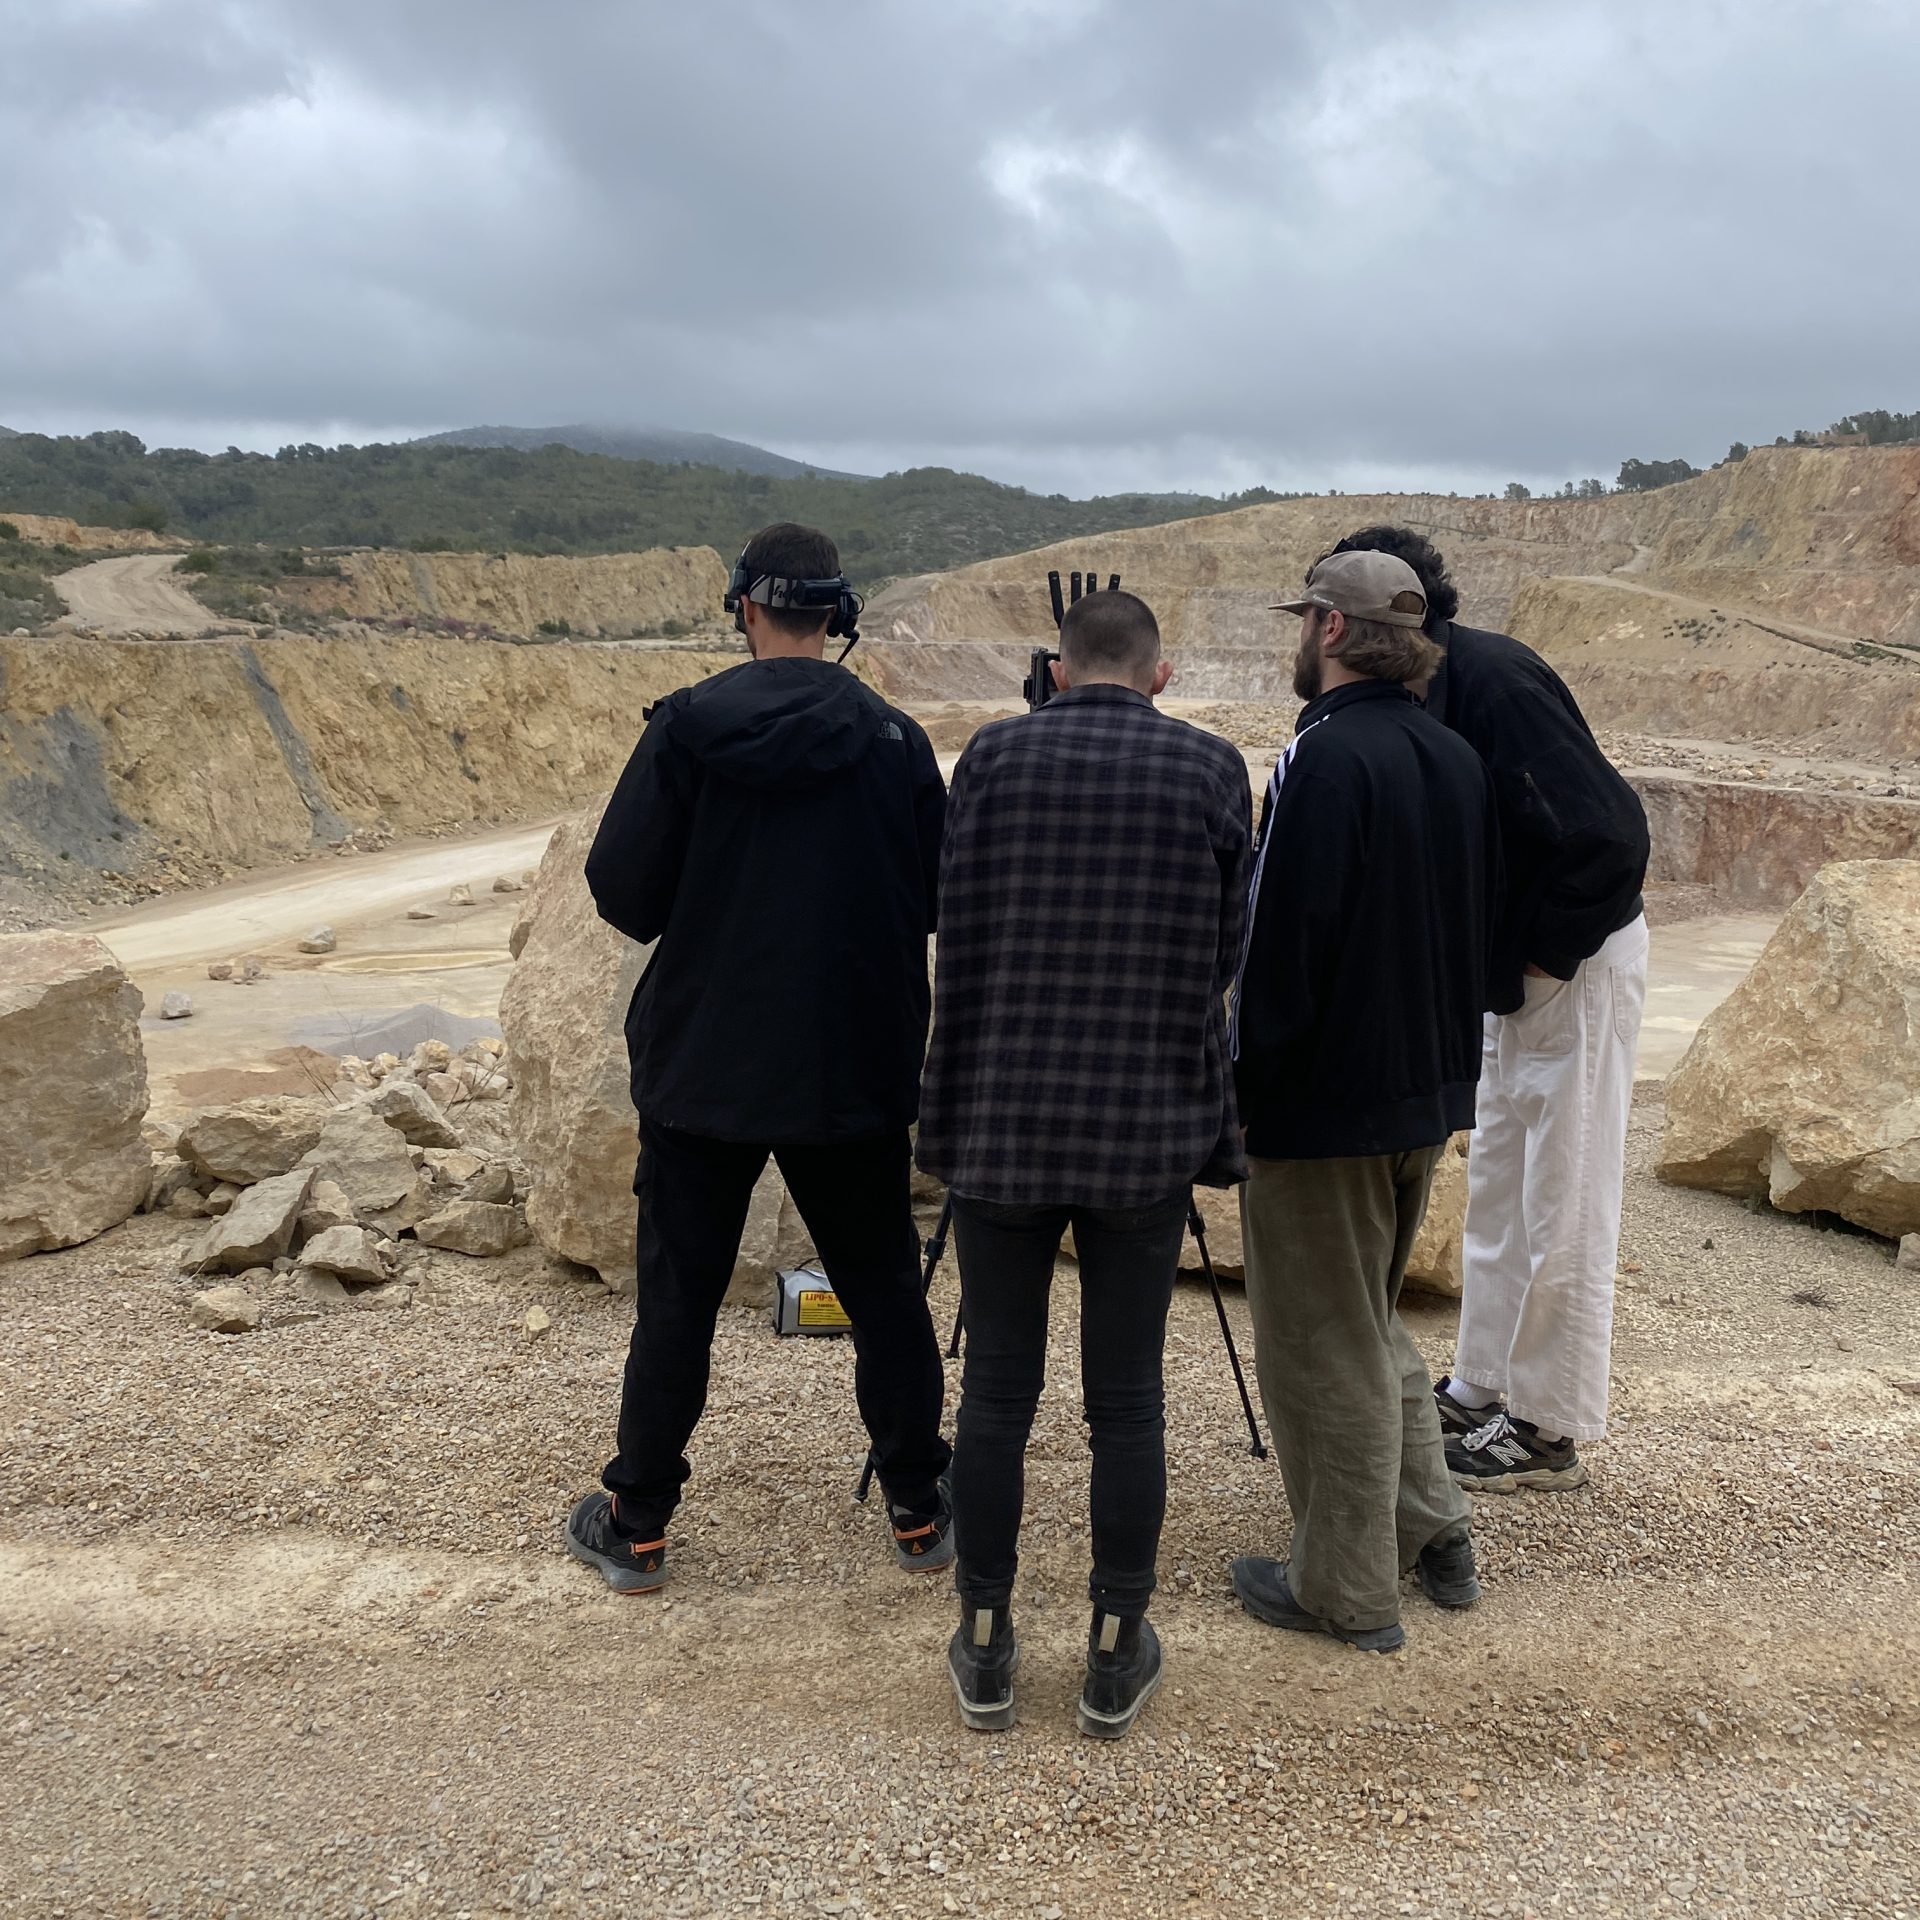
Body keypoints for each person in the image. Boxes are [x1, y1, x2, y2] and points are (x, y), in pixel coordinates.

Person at [564, 522, 953, 1593]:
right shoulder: (894, 742)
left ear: (743, 605)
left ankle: (638, 1519)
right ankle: (920, 1508)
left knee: (678, 1301)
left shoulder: (686, 729)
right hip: (852, 1069)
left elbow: (622, 894)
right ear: (840, 615)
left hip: (704, 1069)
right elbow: (934, 894)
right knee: (883, 1294)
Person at [917, 587, 1252, 1739]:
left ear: (1058, 668)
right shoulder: (1212, 773)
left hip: (1004, 1123)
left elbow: (955, 925)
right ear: (1160, 674)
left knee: (997, 1395)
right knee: (1128, 1401)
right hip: (1142, 1132)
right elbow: (1227, 954)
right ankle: (1115, 1646)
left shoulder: (992, 763)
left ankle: (985, 1639)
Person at [1320, 527, 1651, 1493]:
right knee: (1502, 1187)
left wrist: (1543, 955)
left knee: (1566, 1198)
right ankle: (1481, 1385)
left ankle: (1547, 1428)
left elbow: (1610, 835)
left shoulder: (1497, 685)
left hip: (1576, 969)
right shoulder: (1425, 691)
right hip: (1515, 983)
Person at [1229, 549, 1497, 1652]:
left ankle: (1344, 1588)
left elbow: (1278, 941)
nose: (1299, 637)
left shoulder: (1320, 760)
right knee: (1368, 1320)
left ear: (1332, 631)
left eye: (1304, 620)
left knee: (1314, 1340)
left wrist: (1246, 1084)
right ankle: (1433, 1527)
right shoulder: (1453, 754)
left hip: (1323, 1105)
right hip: (1421, 1091)